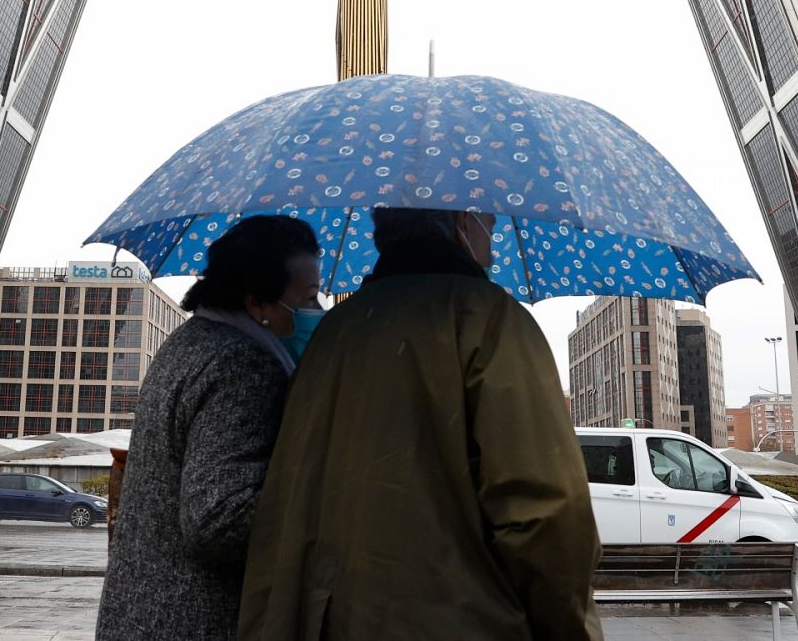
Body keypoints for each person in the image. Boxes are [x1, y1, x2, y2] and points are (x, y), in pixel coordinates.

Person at [238, 208, 602, 640]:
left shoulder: (334, 333)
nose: (496, 229)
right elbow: (548, 513)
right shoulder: (490, 319)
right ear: (462, 224)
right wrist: (566, 628)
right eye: (489, 218)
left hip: (332, 620)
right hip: (459, 621)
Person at [96, 215, 323, 641]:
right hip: (197, 620)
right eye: (309, 297)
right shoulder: (242, 366)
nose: (316, 310)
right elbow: (219, 521)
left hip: (141, 614)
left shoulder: (187, 344)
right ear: (258, 303)